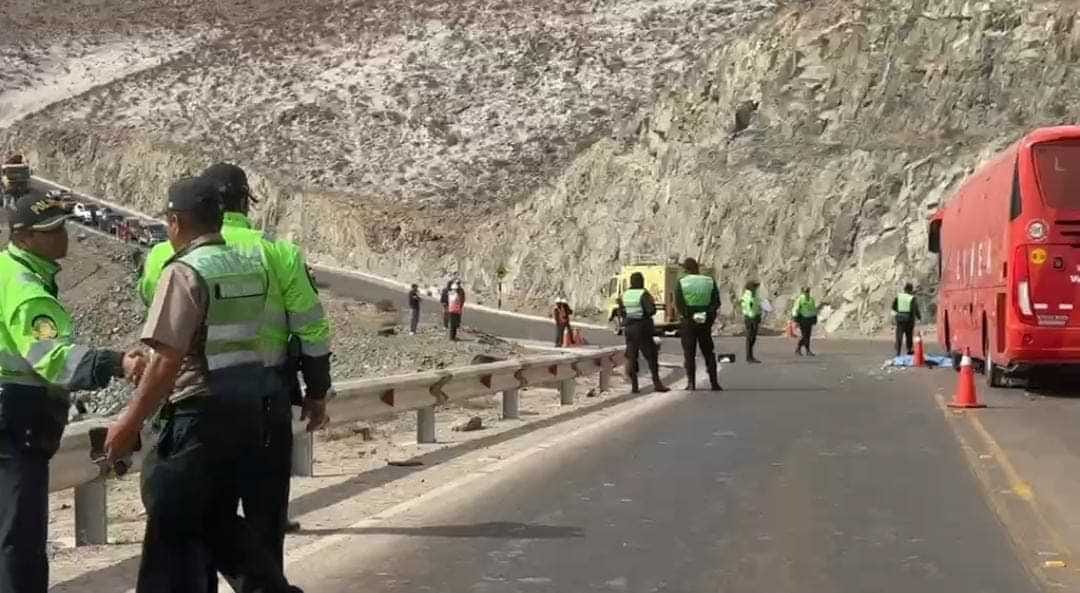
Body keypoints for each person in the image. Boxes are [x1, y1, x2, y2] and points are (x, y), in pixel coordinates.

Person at [138, 164, 332, 582]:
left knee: (206, 518)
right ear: (245, 202)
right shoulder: (277, 252)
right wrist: (317, 390)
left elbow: (159, 333)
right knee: (262, 526)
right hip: (266, 404)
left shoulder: (164, 256)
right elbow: (311, 326)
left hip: (198, 406)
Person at [106, 177, 301, 593]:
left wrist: (130, 422)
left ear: (175, 221)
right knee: (217, 523)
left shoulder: (185, 271)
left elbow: (166, 361)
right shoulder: (247, 265)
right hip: (247, 412)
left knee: (169, 522)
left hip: (197, 417)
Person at [0, 193, 143, 593]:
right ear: (24, 236)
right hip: (16, 423)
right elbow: (53, 358)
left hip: (12, 418)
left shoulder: (9, 270)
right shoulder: (26, 289)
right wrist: (116, 363)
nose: (63, 236)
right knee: (19, 541)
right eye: (53, 230)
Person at [674, 258, 722, 391]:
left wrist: (690, 314)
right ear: (697, 268)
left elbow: (679, 303)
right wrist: (706, 314)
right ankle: (714, 383)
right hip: (705, 322)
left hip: (688, 322)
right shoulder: (709, 281)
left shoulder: (681, 283)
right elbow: (716, 302)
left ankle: (691, 383)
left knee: (689, 353)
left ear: (685, 269)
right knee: (708, 352)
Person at [620, 273, 669, 393]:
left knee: (632, 357)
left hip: (629, 329)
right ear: (641, 281)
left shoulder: (625, 295)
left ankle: (634, 386)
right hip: (642, 328)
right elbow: (651, 310)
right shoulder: (644, 294)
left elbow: (622, 312)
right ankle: (657, 383)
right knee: (651, 356)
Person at [892, 282, 922, 356]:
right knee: (909, 336)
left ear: (904, 289)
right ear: (911, 290)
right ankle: (909, 350)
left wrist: (895, 316)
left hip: (899, 320)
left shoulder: (899, 297)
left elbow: (893, 307)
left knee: (899, 336)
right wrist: (919, 317)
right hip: (909, 320)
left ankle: (898, 352)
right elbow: (915, 309)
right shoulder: (912, 298)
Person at [740, 280, 763, 363]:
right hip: (750, 318)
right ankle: (749, 357)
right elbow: (747, 309)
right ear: (751, 288)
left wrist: (759, 315)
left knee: (753, 337)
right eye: (755, 287)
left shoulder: (755, 296)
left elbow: (758, 306)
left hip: (755, 318)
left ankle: (750, 356)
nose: (757, 288)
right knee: (750, 337)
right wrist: (752, 317)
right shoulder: (747, 296)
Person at [792, 287, 818, 356]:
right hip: (802, 319)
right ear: (803, 292)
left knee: (808, 336)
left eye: (808, 291)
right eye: (806, 291)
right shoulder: (800, 299)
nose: (807, 292)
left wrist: (815, 317)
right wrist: (795, 319)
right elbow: (796, 309)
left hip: (809, 319)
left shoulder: (811, 299)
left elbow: (813, 309)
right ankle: (798, 348)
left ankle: (808, 350)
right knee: (804, 336)